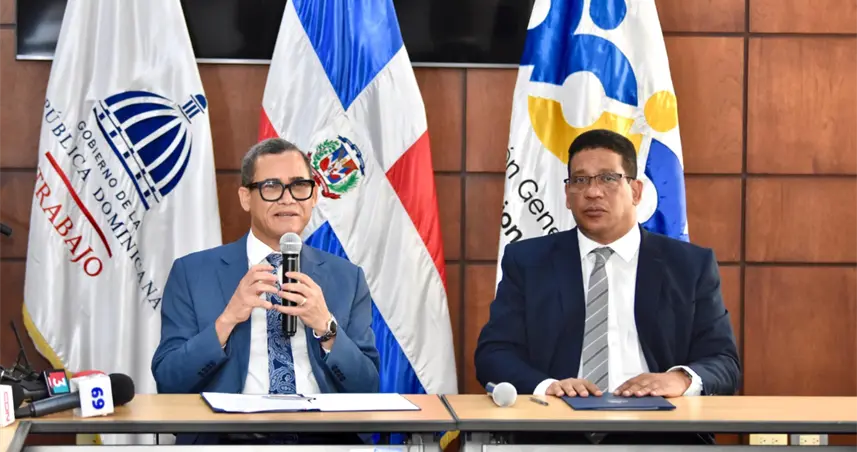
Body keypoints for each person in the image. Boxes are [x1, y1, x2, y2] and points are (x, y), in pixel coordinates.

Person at [474, 129, 740, 444]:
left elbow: (724, 362)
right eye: (580, 180)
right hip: (555, 431)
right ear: (567, 194)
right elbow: (494, 354)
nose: (593, 192)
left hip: (661, 433)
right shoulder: (529, 262)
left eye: (608, 178)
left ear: (636, 191)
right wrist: (547, 386)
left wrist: (680, 379)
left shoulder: (688, 266)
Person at [152, 138, 380, 445]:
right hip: (229, 440)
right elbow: (169, 382)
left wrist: (326, 328)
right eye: (272, 187)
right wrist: (227, 320)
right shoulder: (192, 273)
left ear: (313, 196)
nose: (288, 199)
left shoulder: (347, 278)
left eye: (299, 186)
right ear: (246, 197)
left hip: (323, 440)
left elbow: (367, 388)